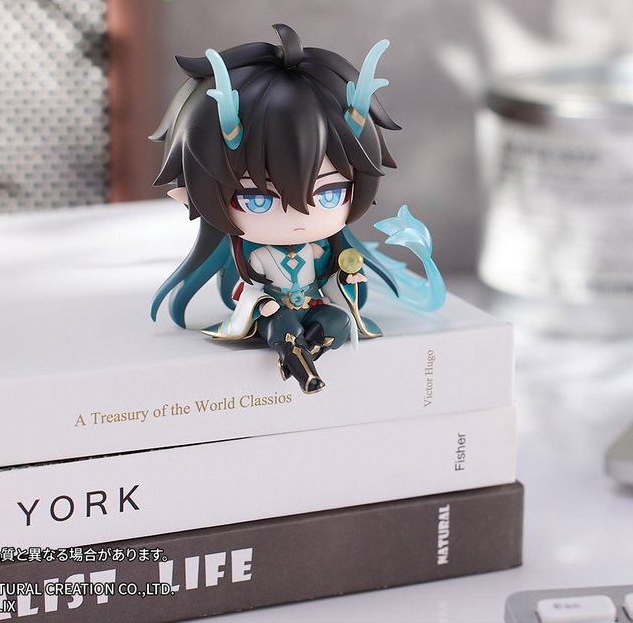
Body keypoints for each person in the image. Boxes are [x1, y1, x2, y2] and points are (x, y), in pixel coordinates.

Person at [149, 24, 442, 394]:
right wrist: (262, 304)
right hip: (275, 310)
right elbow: (247, 287)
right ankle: (299, 362)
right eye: (258, 200)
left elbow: (331, 281)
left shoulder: (321, 250)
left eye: (331, 194)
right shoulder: (255, 255)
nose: (299, 215)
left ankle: (305, 355)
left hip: (314, 304)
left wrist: (347, 280)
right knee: (282, 326)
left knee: (337, 321)